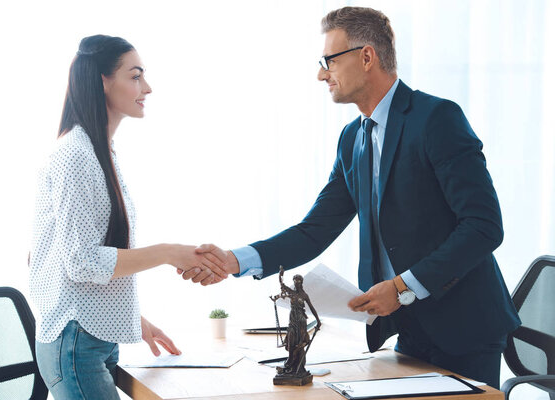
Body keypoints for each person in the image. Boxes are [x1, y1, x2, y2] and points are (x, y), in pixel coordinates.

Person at [185, 7, 521, 388]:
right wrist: (234, 261)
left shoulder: (436, 118)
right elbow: (315, 230)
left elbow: (483, 227)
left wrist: (401, 287)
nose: (320, 74)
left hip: (465, 327)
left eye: (329, 60)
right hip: (407, 330)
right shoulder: (353, 139)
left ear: (366, 57)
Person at [29, 34, 227, 399]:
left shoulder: (98, 151)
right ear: (103, 81)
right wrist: (169, 252)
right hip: (76, 345)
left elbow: (84, 260)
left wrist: (127, 318)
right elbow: (81, 262)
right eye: (135, 76)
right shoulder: (75, 155)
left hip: (92, 338)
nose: (146, 87)